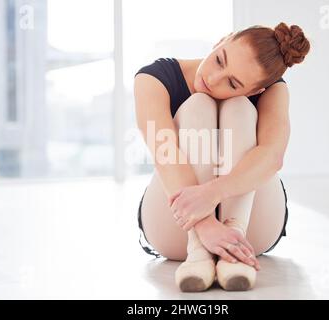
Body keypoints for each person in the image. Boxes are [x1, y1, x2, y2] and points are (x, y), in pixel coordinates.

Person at [133, 22, 310, 292]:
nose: (213, 79)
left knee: (238, 108)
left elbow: (272, 157)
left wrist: (214, 192)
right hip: (176, 228)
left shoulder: (272, 89)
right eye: (219, 60)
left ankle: (234, 240)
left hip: (253, 226)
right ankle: (199, 252)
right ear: (222, 40)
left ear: (255, 91)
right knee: (197, 105)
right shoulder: (154, 78)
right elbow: (164, 152)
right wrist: (205, 224)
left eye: (233, 83)